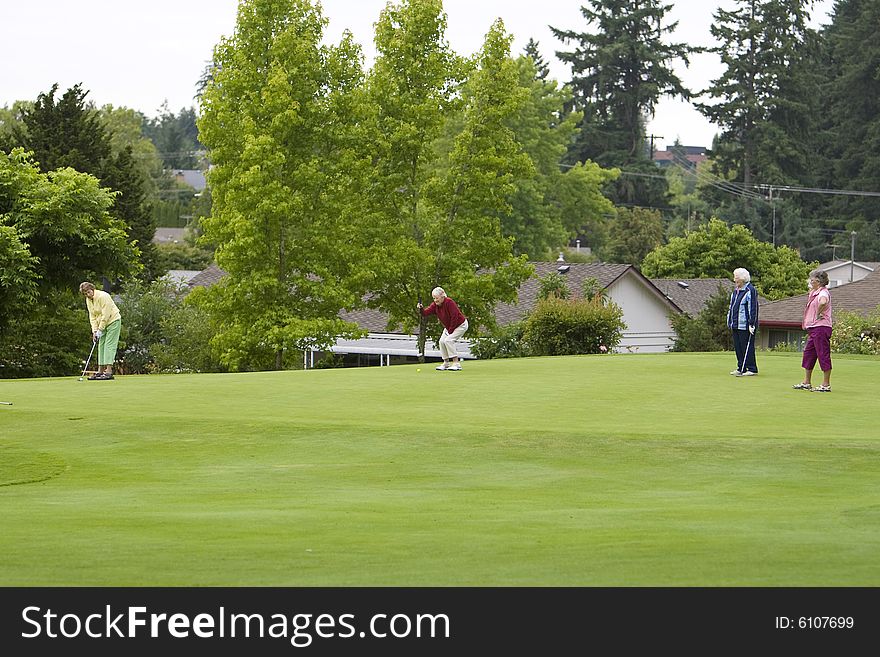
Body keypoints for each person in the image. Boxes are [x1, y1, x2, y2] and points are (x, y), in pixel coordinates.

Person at [793, 269, 833, 392]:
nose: (811, 281)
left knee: (823, 355)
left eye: (813, 279)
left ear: (819, 281)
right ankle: (807, 382)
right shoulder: (814, 292)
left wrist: (818, 312)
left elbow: (823, 301)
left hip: (821, 327)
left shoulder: (823, 293)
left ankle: (826, 384)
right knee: (809, 354)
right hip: (814, 328)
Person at [417, 287, 469, 371]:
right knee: (441, 341)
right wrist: (421, 309)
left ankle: (456, 363)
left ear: (442, 296)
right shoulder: (435, 305)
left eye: (436, 298)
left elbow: (454, 317)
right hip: (449, 327)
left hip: (460, 325)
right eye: (434, 298)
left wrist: (450, 331)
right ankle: (446, 363)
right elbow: (425, 313)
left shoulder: (449, 302)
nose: (435, 300)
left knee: (448, 340)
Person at [79, 281, 122, 380]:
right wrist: (94, 331)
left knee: (109, 345)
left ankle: (109, 372)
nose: (87, 295)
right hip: (101, 325)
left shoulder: (103, 296)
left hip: (113, 321)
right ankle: (100, 371)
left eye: (88, 292)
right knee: (101, 345)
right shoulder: (88, 300)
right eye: (85, 294)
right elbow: (92, 316)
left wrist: (100, 329)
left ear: (92, 289)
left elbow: (106, 315)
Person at [726, 267, 759, 376]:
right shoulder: (736, 291)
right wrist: (729, 320)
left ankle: (752, 368)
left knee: (747, 346)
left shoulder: (750, 290)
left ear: (743, 279)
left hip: (745, 325)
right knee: (738, 347)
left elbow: (752, 308)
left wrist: (751, 323)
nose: (735, 280)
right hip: (735, 324)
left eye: (736, 278)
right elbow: (731, 307)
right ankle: (741, 367)